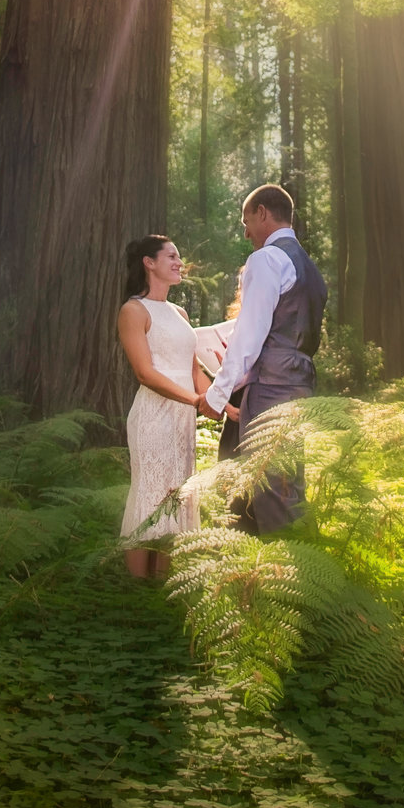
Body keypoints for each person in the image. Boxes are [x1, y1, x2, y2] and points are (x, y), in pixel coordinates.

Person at [198, 184, 324, 534]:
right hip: (298, 384)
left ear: (263, 213)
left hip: (269, 386)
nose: (245, 231)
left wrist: (217, 393)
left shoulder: (267, 259)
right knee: (282, 479)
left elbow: (249, 336)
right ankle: (262, 570)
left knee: (265, 485)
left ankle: (276, 576)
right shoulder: (309, 268)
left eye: (247, 220)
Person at [116, 234, 206, 578]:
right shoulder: (133, 310)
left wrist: (223, 406)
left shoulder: (179, 312)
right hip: (153, 416)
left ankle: (162, 588)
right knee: (151, 496)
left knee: (177, 498)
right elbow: (145, 372)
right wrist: (195, 400)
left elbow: (193, 369)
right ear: (148, 263)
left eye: (179, 257)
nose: (179, 262)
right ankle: (137, 591)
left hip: (183, 418)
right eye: (171, 256)